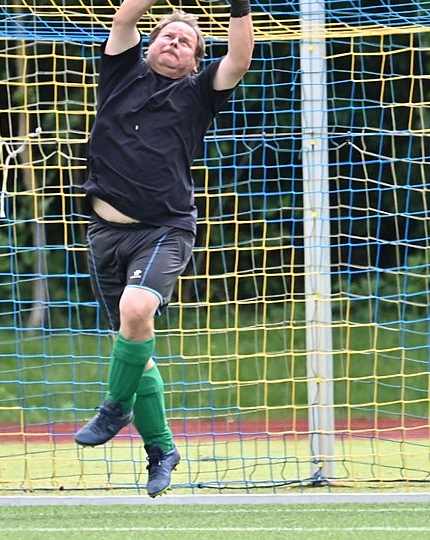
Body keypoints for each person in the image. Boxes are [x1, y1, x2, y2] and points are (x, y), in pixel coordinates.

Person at [74, 0, 254, 498]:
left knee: (136, 310)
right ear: (150, 46)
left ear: (196, 61)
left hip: (163, 230)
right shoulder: (119, 73)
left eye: (186, 41)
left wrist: (239, 6)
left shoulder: (198, 92)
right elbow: (125, 18)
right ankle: (162, 450)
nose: (174, 43)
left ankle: (114, 408)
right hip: (104, 234)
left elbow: (239, 58)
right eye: (167, 36)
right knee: (136, 344)